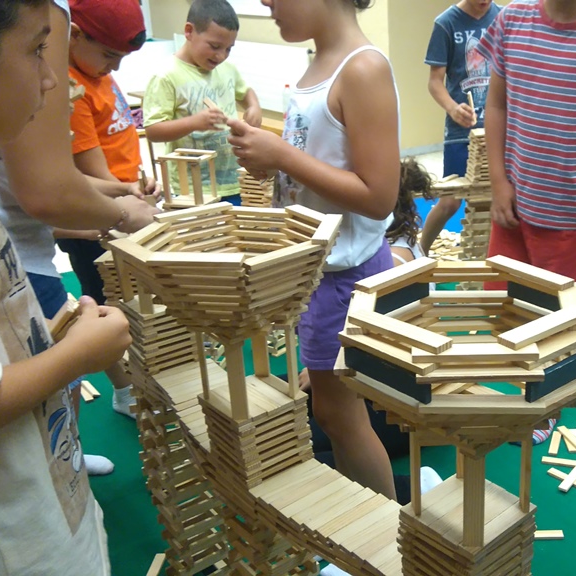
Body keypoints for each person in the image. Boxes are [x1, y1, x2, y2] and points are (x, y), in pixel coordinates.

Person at [0, 1, 132, 573]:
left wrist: (47, 333)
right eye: (38, 49)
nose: (50, 79)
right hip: (12, 544)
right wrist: (77, 356)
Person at [0, 0, 160, 476]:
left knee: (56, 384)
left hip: (25, 245)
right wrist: (120, 214)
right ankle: (62, 465)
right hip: (18, 255)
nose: (51, 80)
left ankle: (66, 459)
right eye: (39, 51)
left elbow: (54, 181)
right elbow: (48, 190)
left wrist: (117, 193)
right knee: (53, 383)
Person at [230, 0, 401, 501]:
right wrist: (274, 162)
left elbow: (379, 194)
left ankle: (381, 528)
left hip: (345, 276)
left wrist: (283, 155)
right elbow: (323, 166)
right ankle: (367, 516)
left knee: (341, 416)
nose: (266, 2)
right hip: (322, 272)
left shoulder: (362, 69)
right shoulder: (318, 65)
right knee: (333, 412)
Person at [476, 0, 576, 291]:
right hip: (513, 202)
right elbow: (497, 105)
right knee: (501, 302)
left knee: (554, 307)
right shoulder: (512, 19)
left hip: (568, 213)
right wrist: (498, 182)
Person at [61, 0, 158, 419]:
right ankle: (123, 390)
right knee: (105, 304)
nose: (115, 67)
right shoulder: (71, 89)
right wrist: (126, 199)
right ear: (75, 34)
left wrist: (137, 186)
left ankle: (142, 374)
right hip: (97, 218)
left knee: (135, 299)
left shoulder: (98, 74)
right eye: (108, 55)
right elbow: (91, 170)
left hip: (122, 202)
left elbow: (120, 140)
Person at [143, 0, 262, 206]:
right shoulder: (166, 76)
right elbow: (153, 131)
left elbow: (246, 92)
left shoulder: (227, 69)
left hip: (230, 180)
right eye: (215, 46)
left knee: (232, 226)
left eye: (228, 49)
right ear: (189, 31)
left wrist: (254, 106)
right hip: (191, 186)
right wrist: (194, 122)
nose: (221, 56)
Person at [421, 0, 500, 257]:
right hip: (460, 133)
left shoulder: (503, 17)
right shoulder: (446, 23)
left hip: (500, 130)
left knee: (498, 198)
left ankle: (492, 257)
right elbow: (435, 81)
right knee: (450, 202)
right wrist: (453, 108)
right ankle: (419, 251)